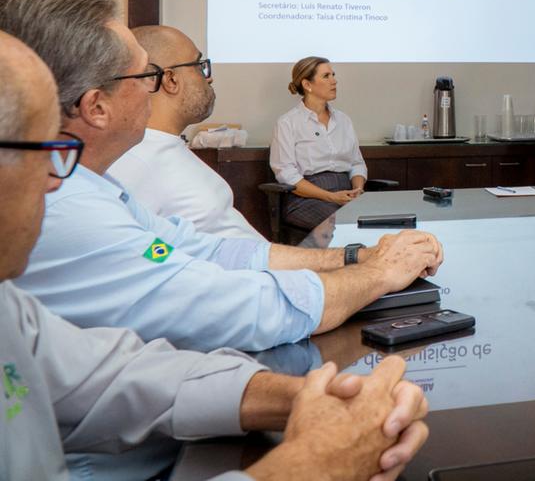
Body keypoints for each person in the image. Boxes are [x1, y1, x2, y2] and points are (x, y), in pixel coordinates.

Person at [0, 29, 429, 481]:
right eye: (43, 151)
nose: (55, 181)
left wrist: (306, 397)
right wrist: (317, 463)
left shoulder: (15, 300)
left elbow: (117, 374)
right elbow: (214, 299)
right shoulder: (77, 206)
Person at [0, 0, 444, 352]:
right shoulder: (72, 203)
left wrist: (354, 257)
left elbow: (202, 250)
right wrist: (375, 272)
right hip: (264, 321)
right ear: (97, 106)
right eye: (145, 77)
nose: (151, 89)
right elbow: (224, 305)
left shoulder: (97, 183)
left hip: (271, 308)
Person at [109, 25, 263, 239]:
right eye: (199, 66)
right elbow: (135, 246)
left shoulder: (163, 146)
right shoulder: (135, 161)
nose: (209, 78)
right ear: (171, 80)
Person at [270, 56, 368, 232]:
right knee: (343, 224)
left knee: (372, 220)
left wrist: (358, 190)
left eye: (333, 75)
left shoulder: (343, 120)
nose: (334, 81)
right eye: (326, 76)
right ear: (307, 84)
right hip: (306, 198)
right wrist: (331, 196)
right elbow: (286, 174)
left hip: (346, 193)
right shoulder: (287, 123)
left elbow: (356, 163)